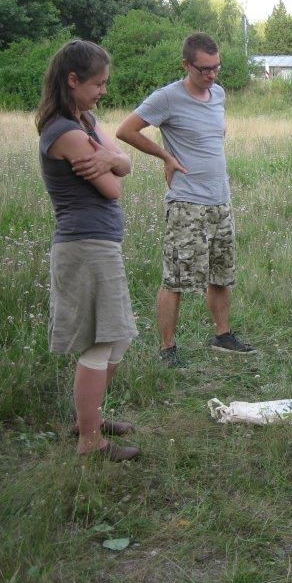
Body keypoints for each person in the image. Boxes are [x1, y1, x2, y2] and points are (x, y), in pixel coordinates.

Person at [116, 33, 253, 367]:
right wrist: (166, 156)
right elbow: (126, 130)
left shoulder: (218, 94)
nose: (211, 75)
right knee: (175, 279)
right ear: (186, 65)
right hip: (187, 204)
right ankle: (167, 349)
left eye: (216, 67)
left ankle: (223, 336)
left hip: (220, 201)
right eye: (204, 69)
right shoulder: (167, 98)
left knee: (221, 274)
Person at [36, 40, 140, 461]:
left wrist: (114, 159)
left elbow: (124, 162)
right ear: (72, 80)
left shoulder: (86, 121)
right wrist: (115, 163)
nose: (103, 91)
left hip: (99, 243)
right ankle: (89, 440)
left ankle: (88, 419)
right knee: (101, 342)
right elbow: (114, 188)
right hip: (84, 246)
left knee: (118, 339)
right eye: (98, 84)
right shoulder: (65, 132)